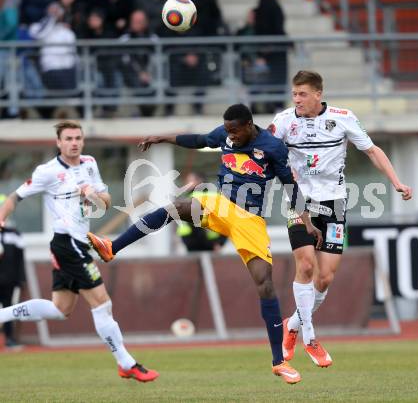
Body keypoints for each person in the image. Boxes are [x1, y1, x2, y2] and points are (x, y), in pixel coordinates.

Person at [87, 103, 323, 385]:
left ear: (249, 126)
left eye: (235, 131)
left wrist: (306, 221)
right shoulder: (224, 134)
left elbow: (289, 186)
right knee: (175, 207)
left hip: (250, 220)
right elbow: (199, 139)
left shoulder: (272, 147)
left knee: (265, 284)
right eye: (227, 131)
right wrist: (162, 137)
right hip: (220, 205)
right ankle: (112, 247)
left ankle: (278, 362)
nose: (230, 137)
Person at [269, 70, 413, 367]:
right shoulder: (284, 121)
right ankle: (309, 337)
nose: (297, 100)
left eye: (303, 94)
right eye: (294, 94)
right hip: (299, 202)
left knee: (325, 277)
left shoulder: (343, 117)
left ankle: (292, 325)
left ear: (318, 94)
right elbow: (266, 151)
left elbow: (372, 150)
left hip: (334, 204)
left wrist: (396, 181)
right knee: (306, 265)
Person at [0, 120, 158, 382]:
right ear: (59, 142)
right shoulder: (47, 171)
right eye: (69, 139)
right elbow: (16, 197)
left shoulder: (90, 164)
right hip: (67, 243)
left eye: (78, 138)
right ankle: (126, 363)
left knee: (60, 309)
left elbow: (106, 203)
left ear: (82, 141)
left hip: (79, 242)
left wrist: (92, 195)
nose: (74, 143)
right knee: (102, 303)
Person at [176, 172, 227, 252]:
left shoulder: (197, 198)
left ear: (199, 181)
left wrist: (215, 243)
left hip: (201, 244)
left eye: (190, 181)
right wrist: (220, 242)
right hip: (209, 244)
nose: (186, 184)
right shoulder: (214, 196)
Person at [0, 195, 25, 349]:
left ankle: (10, 338)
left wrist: (21, 280)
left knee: (9, 308)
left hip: (8, 280)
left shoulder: (14, 234)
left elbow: (20, 260)